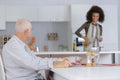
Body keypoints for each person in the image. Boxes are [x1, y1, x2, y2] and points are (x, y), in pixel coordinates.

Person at [2, 19, 71, 80]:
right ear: (26, 31)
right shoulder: (13, 46)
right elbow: (32, 63)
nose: (32, 32)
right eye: (31, 30)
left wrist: (57, 60)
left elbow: (35, 59)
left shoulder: (20, 45)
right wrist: (54, 64)